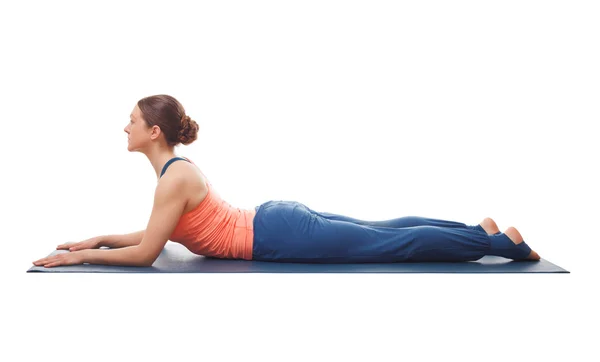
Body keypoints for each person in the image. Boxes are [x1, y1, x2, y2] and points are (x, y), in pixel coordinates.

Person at [33, 94, 541, 268]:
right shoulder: (174, 174)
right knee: (384, 229)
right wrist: (99, 236)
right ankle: (479, 230)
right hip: (278, 222)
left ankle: (498, 243)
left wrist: (79, 257)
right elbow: (153, 235)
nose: (124, 127)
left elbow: (147, 254)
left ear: (154, 131)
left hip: (277, 235)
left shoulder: (172, 179)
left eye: (131, 121)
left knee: (389, 244)